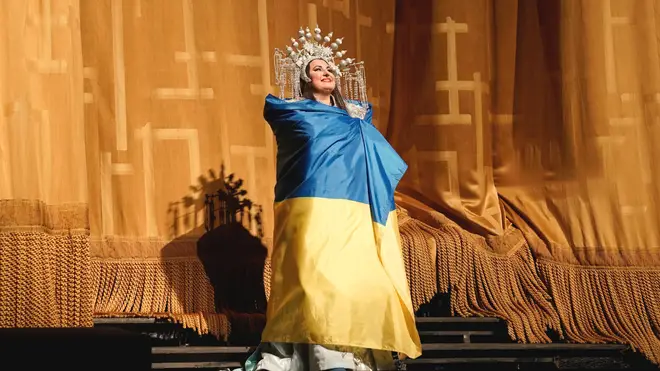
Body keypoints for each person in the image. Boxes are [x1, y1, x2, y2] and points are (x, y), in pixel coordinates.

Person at [244, 26, 422, 371]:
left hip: (352, 212)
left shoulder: (355, 117)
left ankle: (358, 353)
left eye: (329, 69)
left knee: (354, 278)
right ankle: (320, 355)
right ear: (304, 78)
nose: (325, 73)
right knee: (317, 280)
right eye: (317, 69)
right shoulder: (294, 114)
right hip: (310, 211)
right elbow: (299, 158)